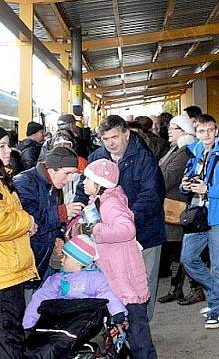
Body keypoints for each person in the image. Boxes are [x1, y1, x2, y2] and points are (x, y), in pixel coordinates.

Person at [74, 115, 166, 321]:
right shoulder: (97, 155)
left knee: (143, 284)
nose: (110, 143)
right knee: (114, 284)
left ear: (126, 133)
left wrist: (125, 222)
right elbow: (84, 187)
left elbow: (152, 196)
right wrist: (79, 210)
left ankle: (141, 330)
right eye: (105, 139)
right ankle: (120, 331)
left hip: (145, 234)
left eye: (114, 137)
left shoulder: (144, 157)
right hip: (109, 239)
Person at [81, 159, 158, 359]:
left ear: (99, 184)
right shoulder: (100, 202)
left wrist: (97, 230)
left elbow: (127, 229)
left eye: (87, 179)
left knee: (136, 328)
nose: (83, 182)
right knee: (123, 328)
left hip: (125, 277)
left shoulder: (111, 204)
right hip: (114, 274)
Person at [180, 114, 219, 330]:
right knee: (187, 258)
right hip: (197, 215)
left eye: (209, 130)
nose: (205, 135)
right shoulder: (194, 155)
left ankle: (215, 310)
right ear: (195, 134)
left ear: (216, 131)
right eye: (201, 131)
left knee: (218, 264)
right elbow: (184, 182)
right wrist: (185, 186)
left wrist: (209, 190)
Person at [22, 235, 127, 328]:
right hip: (59, 322)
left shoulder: (94, 278)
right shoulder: (57, 279)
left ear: (78, 262)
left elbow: (106, 293)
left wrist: (117, 311)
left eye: (66, 257)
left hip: (86, 323)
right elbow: (41, 297)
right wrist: (29, 323)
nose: (61, 260)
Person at [14, 146, 81, 285]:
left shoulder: (53, 184)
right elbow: (30, 223)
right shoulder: (24, 183)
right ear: (52, 169)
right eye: (67, 173)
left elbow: (52, 218)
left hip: (43, 259)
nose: (70, 180)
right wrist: (62, 212)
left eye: (73, 175)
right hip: (25, 264)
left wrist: (58, 237)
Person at [157, 115, 202, 305]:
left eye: (173, 128)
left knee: (183, 250)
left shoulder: (185, 152)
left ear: (183, 131)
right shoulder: (175, 149)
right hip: (171, 206)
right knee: (176, 250)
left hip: (178, 206)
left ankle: (195, 289)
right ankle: (176, 288)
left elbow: (166, 178)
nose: (169, 130)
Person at [0, 143, 38, 359]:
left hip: (10, 272)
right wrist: (28, 221)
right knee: (9, 340)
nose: (9, 151)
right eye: (1, 146)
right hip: (4, 277)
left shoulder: (5, 179)